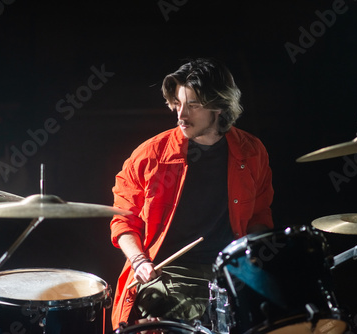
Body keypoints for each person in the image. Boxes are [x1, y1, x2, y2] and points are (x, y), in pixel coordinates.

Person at [109, 58, 274, 329]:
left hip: (229, 269)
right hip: (168, 271)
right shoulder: (149, 155)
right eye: (178, 103)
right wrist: (139, 262)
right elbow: (123, 220)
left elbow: (259, 214)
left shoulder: (252, 151)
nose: (181, 114)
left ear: (220, 106)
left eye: (193, 105)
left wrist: (256, 259)